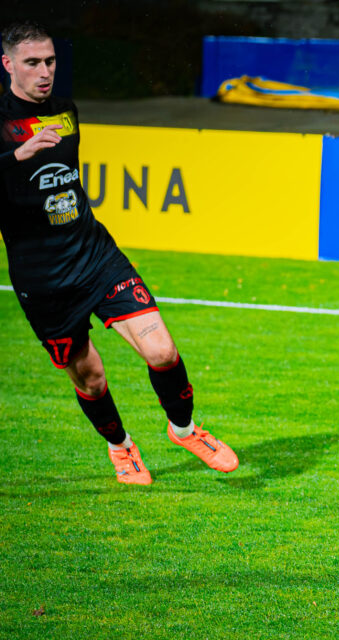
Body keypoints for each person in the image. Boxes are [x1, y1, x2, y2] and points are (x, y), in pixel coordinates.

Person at [0, 21, 238, 485]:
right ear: (7, 64)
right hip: (42, 278)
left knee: (162, 351)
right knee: (90, 378)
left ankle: (185, 430)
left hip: (95, 255)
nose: (45, 72)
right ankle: (121, 448)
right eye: (32, 63)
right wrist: (16, 158)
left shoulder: (65, 110)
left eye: (50, 61)